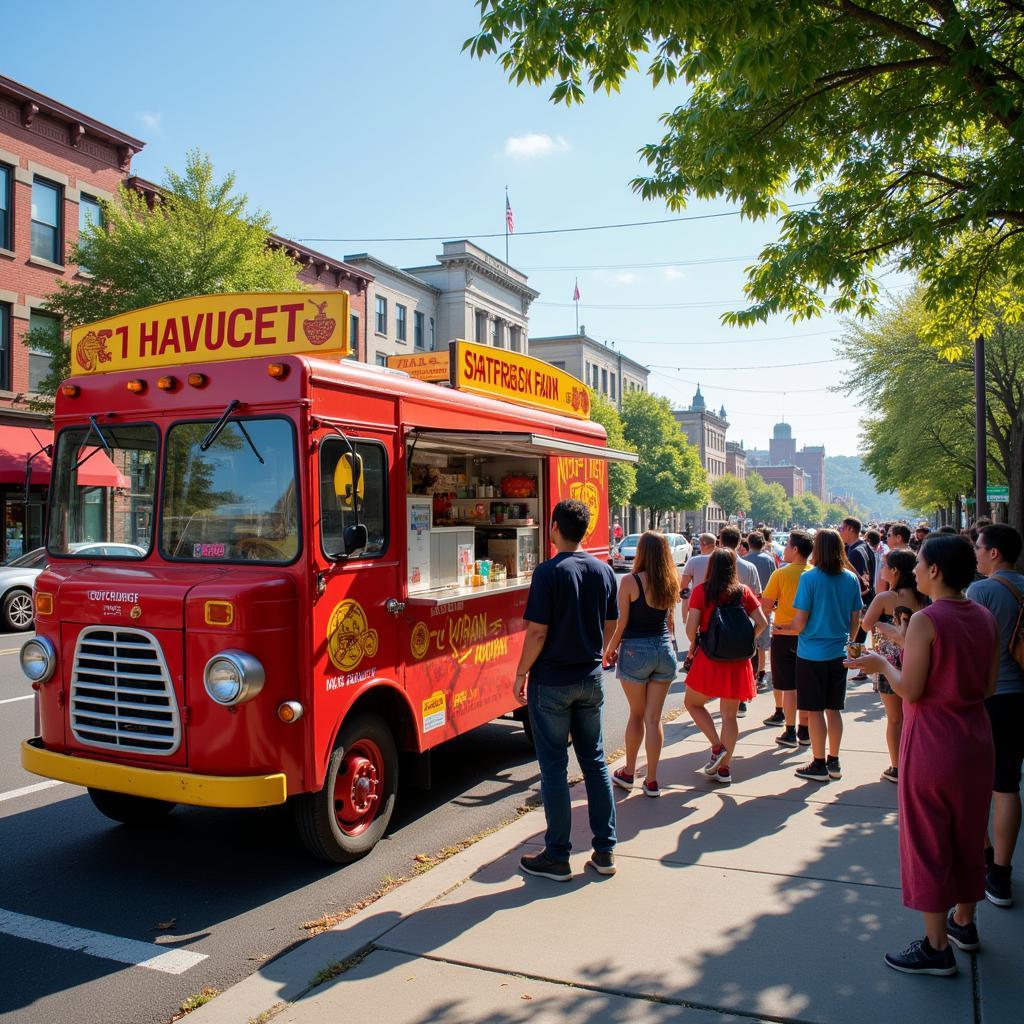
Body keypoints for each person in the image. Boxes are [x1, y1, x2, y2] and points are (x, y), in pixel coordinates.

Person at [847, 536, 998, 976]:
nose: (912, 572)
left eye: (920, 565)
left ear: (935, 571)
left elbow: (909, 688)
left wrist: (880, 664)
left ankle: (936, 947)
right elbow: (987, 687)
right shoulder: (984, 616)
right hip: (976, 740)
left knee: (928, 841)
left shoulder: (927, 620)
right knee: (971, 835)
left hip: (933, 741)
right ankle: (964, 923)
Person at [515, 499, 618, 881]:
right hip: (590, 678)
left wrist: (520, 672)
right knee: (595, 761)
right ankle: (605, 850)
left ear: (554, 527)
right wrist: (599, 652)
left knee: (554, 768)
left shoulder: (547, 572)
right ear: (585, 531)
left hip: (551, 681)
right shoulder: (603, 570)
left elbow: (537, 632)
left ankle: (558, 855)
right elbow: (611, 624)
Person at [967, 523, 1024, 907]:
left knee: (976, 785)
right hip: (1020, 696)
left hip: (990, 696)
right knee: (1007, 784)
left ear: (993, 553)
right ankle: (1002, 873)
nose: (975, 552)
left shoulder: (981, 591)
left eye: (979, 546)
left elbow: (968, 650)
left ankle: (986, 858)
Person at [604, 532, 681, 798]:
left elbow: (621, 624)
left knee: (636, 715)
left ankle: (628, 772)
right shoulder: (671, 581)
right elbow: (670, 623)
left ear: (642, 552)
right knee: (653, 718)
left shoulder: (629, 581)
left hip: (636, 651)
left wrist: (609, 651)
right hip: (664, 650)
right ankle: (651, 780)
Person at [683, 548, 768, 785]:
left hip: (710, 657)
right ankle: (725, 769)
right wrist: (745, 639)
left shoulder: (702, 591)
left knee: (692, 702)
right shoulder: (743, 592)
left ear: (711, 566)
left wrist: (693, 644)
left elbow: (691, 629)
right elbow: (762, 622)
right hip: (737, 660)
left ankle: (716, 745)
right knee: (730, 715)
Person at [789, 528, 863, 782]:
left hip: (811, 653)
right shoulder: (850, 579)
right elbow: (856, 618)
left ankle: (818, 763)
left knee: (815, 710)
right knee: (834, 709)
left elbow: (800, 622)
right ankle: (834, 760)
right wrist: (849, 640)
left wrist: (785, 627)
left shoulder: (810, 579)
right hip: (838, 651)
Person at [861, 549, 928, 782]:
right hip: (918, 659)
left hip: (888, 663)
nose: (882, 570)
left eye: (884, 566)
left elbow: (866, 623)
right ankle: (916, 763)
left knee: (894, 719)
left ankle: (897, 767)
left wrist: (880, 623)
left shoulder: (884, 598)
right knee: (915, 716)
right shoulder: (923, 596)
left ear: (895, 570)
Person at [760, 530, 814, 747]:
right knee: (806, 685)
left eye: (788, 545)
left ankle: (790, 731)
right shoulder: (815, 573)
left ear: (796, 549)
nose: (784, 550)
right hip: (809, 635)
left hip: (784, 634)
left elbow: (765, 604)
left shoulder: (781, 574)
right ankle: (806, 730)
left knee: (788, 687)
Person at [719, 525, 763, 717]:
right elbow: (757, 596)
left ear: (720, 541)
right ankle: (741, 700)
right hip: (745, 623)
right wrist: (751, 635)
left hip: (720, 625)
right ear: (739, 543)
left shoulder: (713, 566)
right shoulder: (749, 567)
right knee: (743, 665)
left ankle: (726, 698)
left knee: (722, 664)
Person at [839, 516, 875, 680]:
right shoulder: (864, 547)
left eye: (842, 528)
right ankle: (862, 667)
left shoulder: (855, 552)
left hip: (861, 603)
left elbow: (860, 584)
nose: (840, 532)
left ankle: (861, 667)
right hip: (867, 602)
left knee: (856, 638)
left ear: (850, 529)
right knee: (859, 638)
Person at [743, 531, 777, 690]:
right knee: (762, 644)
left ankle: (750, 673)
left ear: (749, 544)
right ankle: (761, 674)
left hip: (747, 606)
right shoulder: (769, 560)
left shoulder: (744, 561)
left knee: (749, 642)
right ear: (763, 543)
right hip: (765, 605)